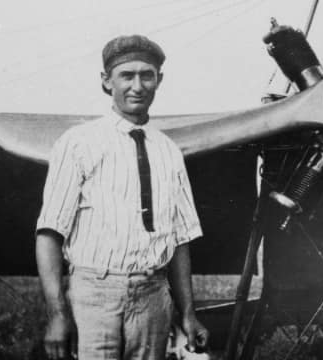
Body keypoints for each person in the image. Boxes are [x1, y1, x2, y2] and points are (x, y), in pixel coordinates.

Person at [36, 35, 208, 360]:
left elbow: (180, 240)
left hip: (153, 297)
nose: (137, 86)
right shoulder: (78, 143)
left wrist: (188, 313)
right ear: (106, 81)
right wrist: (58, 314)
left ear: (159, 80)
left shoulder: (169, 151)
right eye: (127, 75)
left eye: (147, 75)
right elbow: (49, 234)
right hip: (93, 296)